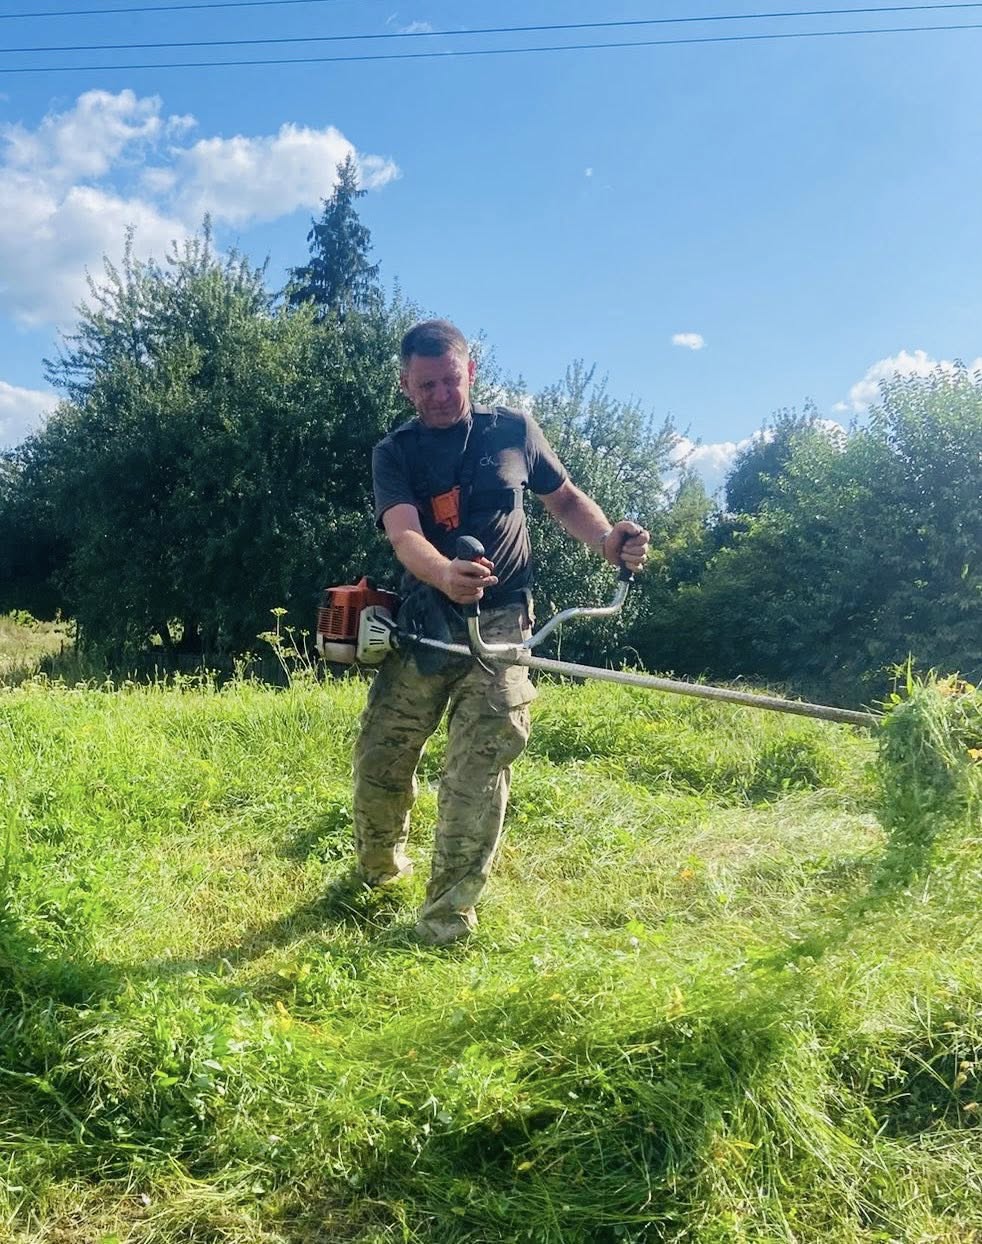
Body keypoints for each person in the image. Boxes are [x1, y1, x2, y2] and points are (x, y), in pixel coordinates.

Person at [352, 319, 649, 945]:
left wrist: (606, 539)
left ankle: (446, 921)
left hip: (504, 627)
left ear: (471, 371)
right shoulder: (394, 452)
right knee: (381, 760)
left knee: (476, 777)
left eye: (450, 380)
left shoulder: (512, 431)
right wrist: (445, 574)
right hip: (424, 628)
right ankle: (379, 873)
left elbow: (565, 499)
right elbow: (404, 534)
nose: (440, 395)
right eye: (426, 385)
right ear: (406, 385)